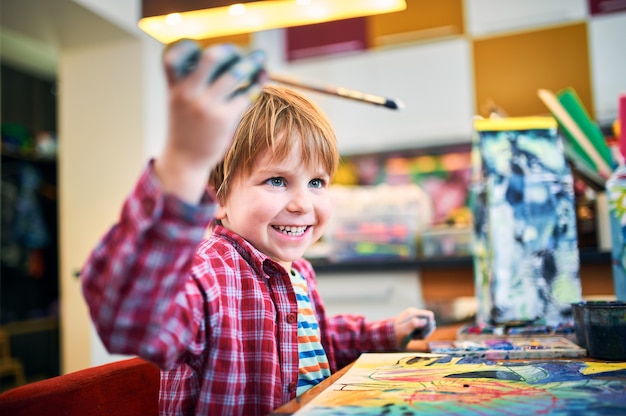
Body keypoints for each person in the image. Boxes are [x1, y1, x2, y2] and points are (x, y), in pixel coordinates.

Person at [81, 39, 435, 415]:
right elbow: (128, 319)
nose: (302, 204)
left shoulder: (298, 271)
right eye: (277, 181)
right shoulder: (208, 271)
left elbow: (320, 338)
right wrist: (183, 161)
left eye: (316, 182)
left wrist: (384, 332)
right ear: (217, 196)